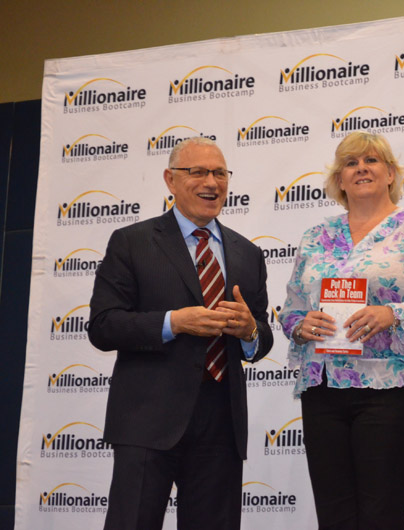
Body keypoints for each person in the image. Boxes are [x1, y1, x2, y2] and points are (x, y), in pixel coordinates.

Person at [278, 131, 404, 529]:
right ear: (339, 180)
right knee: (334, 517)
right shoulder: (316, 237)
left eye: (372, 160)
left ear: (391, 174)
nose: (361, 168)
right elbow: (291, 309)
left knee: (382, 515)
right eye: (351, 163)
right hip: (323, 388)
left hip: (393, 389)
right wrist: (300, 325)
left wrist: (393, 313)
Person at [88, 137, 273, 530]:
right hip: (147, 419)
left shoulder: (248, 253)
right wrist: (173, 322)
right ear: (170, 180)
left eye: (220, 173)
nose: (211, 182)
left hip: (222, 423)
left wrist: (249, 331)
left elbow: (262, 336)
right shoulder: (132, 242)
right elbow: (103, 326)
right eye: (198, 172)